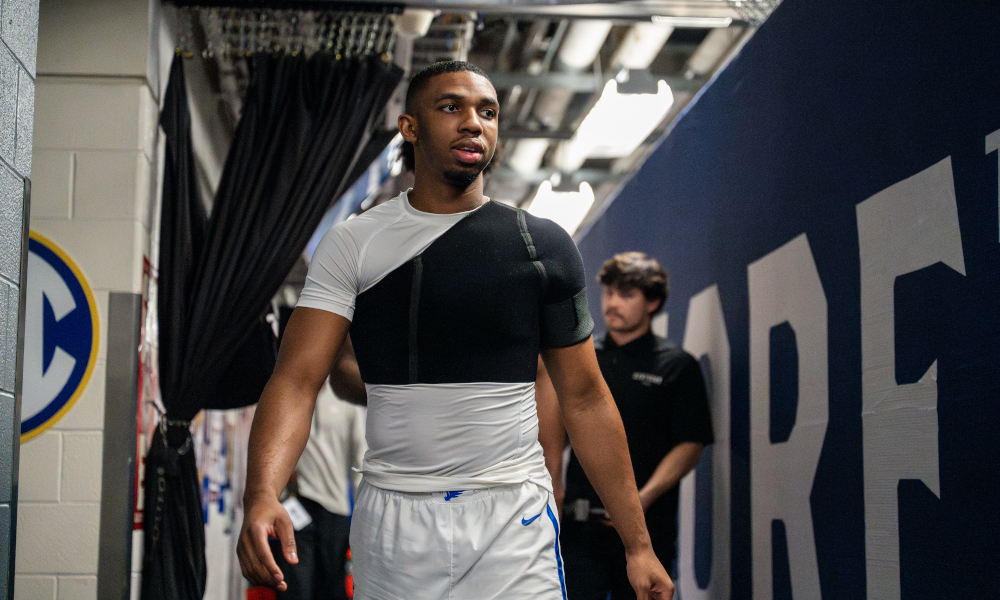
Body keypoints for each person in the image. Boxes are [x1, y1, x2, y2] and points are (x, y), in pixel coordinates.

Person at [236, 61, 674, 600]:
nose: (474, 123)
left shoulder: (543, 247)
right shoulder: (355, 243)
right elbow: (297, 379)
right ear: (410, 127)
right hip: (393, 520)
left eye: (487, 112)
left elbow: (584, 398)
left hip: (512, 514)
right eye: (451, 107)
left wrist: (638, 544)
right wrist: (262, 492)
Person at [545, 252, 714, 600]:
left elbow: (690, 444)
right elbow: (554, 437)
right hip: (579, 531)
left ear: (652, 301)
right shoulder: (584, 361)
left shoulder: (676, 366)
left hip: (646, 530)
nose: (612, 303)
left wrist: (641, 498)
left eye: (626, 294)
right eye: (608, 293)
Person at [274, 379, 366, 600]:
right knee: (296, 589)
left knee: (332, 589)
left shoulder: (346, 400)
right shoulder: (289, 397)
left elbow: (359, 461)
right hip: (297, 505)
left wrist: (363, 517)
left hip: (335, 510)